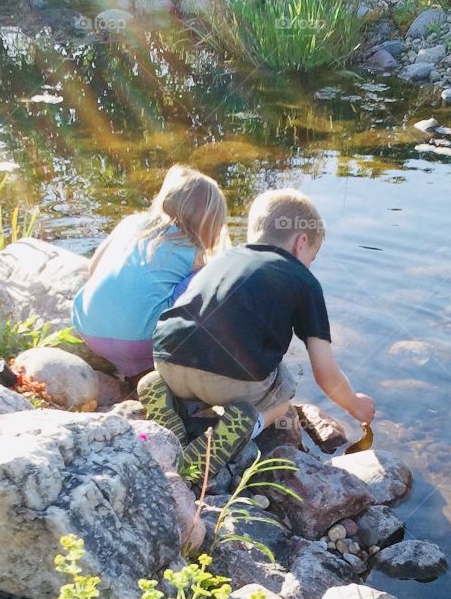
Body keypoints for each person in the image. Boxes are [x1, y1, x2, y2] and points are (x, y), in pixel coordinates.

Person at [139, 188, 375, 484]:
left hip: (167, 358)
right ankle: (243, 427)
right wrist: (355, 405)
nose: (310, 265)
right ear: (301, 242)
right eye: (312, 258)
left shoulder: (221, 260)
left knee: (191, 367)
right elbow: (325, 373)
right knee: (285, 386)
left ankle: (169, 402)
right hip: (229, 380)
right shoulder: (303, 280)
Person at [72, 165, 228, 381]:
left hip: (87, 327)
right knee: (205, 282)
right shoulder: (194, 254)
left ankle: (133, 375)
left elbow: (93, 267)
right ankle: (163, 375)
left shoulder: (132, 222)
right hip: (140, 342)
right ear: (210, 224)